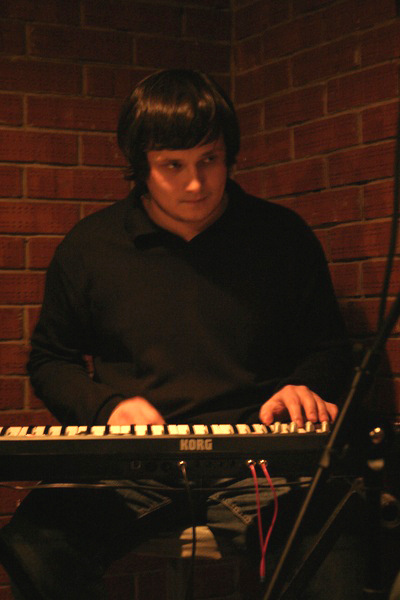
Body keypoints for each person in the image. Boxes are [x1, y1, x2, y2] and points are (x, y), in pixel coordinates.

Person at [0, 69, 359, 599]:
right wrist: (107, 409)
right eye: (174, 165)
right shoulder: (90, 246)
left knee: (339, 544)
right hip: (134, 464)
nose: (196, 183)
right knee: (35, 544)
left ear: (229, 155)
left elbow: (329, 348)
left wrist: (306, 386)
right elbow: (52, 360)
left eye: (209, 160)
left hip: (260, 459)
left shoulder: (281, 236)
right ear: (140, 165)